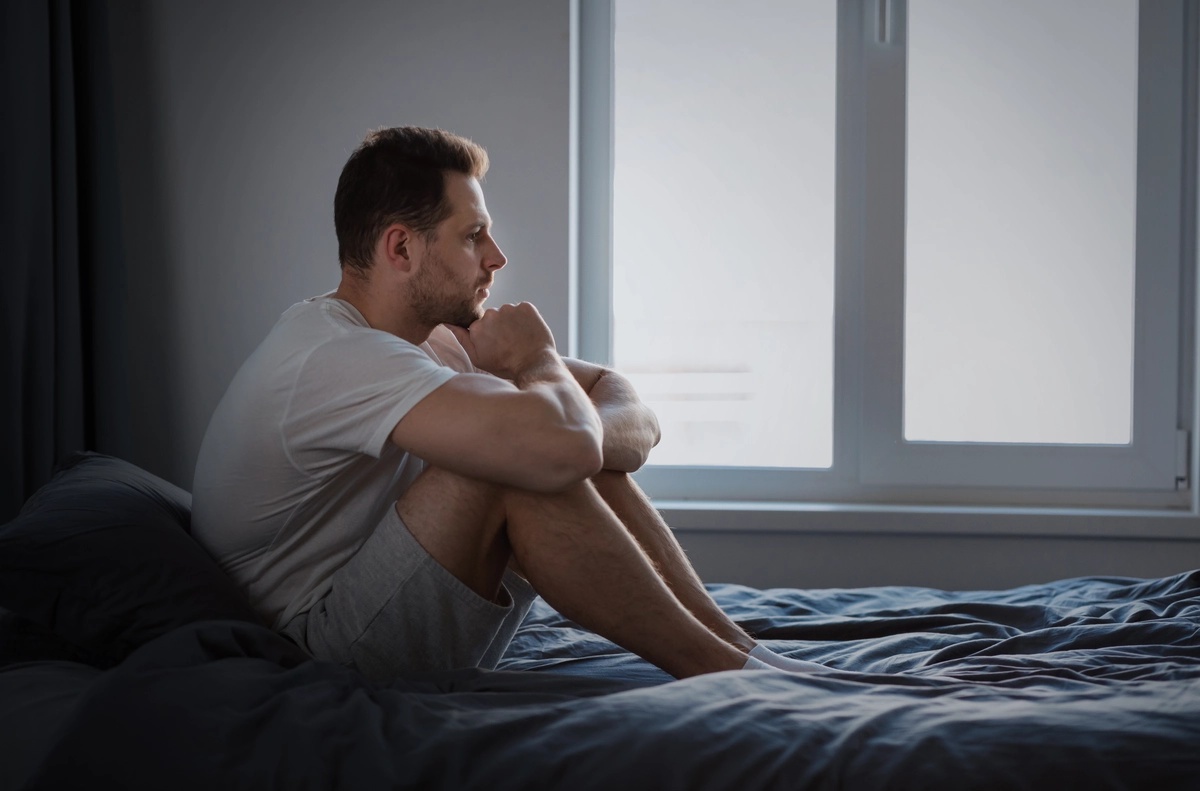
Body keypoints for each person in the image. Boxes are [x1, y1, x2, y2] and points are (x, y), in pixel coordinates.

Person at [191, 126, 819, 681]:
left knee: (547, 439)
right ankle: (726, 672)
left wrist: (577, 433)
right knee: (522, 456)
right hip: (315, 650)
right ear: (401, 249)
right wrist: (540, 364)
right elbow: (567, 443)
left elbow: (634, 416)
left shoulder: (433, 341)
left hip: (383, 607)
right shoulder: (333, 356)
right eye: (473, 237)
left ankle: (738, 650)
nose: (497, 258)